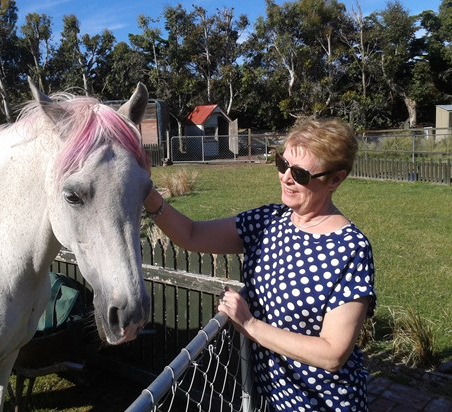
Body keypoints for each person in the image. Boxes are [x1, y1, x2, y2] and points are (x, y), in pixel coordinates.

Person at [143, 117, 376, 411]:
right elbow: (192, 234)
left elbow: (332, 354)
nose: (285, 177)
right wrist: (146, 193)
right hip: (272, 397)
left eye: (301, 174)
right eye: (282, 164)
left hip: (325, 404)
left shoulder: (350, 248)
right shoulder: (267, 221)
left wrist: (251, 325)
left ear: (335, 180)